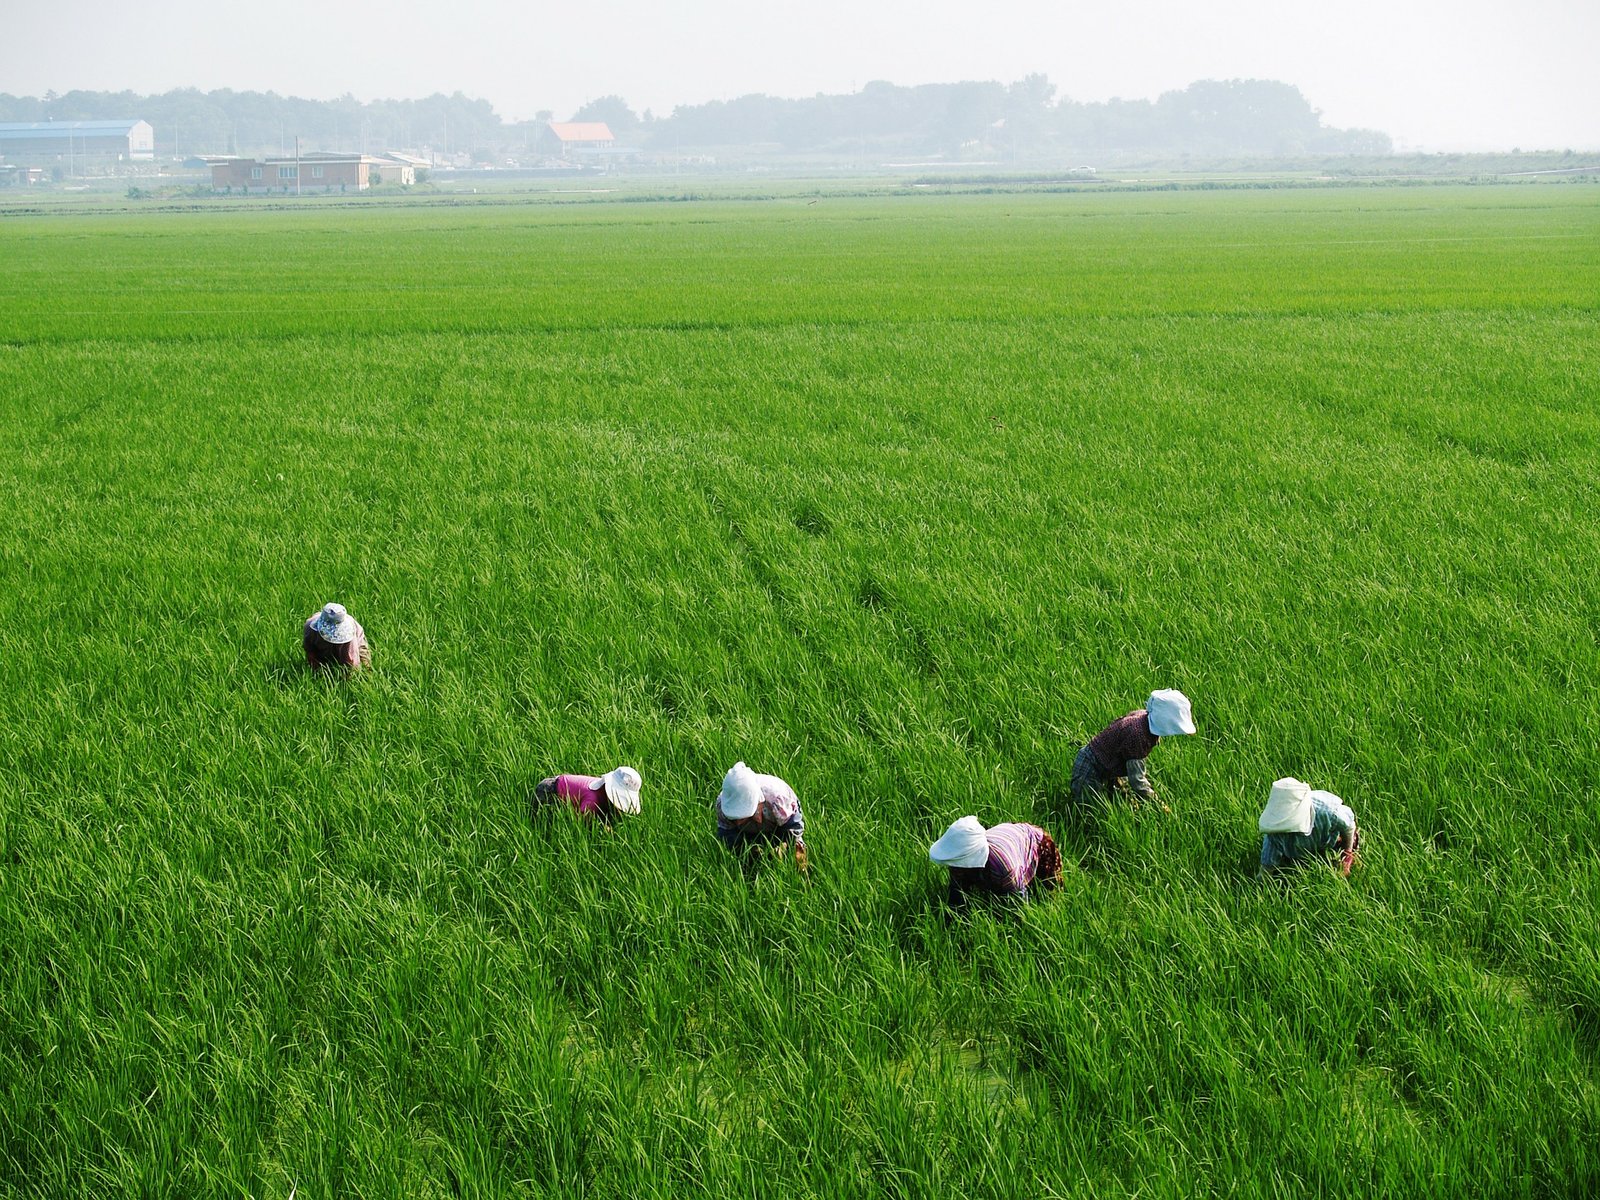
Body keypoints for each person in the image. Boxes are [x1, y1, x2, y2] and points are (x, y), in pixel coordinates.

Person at [1069, 688, 1196, 809]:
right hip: (1090, 767)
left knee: (1124, 805)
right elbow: (1137, 781)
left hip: (1112, 769)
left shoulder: (1144, 717)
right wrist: (1159, 805)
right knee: (1090, 810)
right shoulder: (1137, 735)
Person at [929, 815, 1063, 908]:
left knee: (1046, 888)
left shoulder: (1004, 868)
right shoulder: (958, 860)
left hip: (1035, 841)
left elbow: (1018, 902)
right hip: (1007, 836)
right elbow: (956, 894)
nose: (954, 868)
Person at [1258, 777, 1359, 877]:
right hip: (1297, 853)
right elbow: (1266, 870)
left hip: (1326, 838)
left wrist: (1347, 855)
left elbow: (1349, 827)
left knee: (1347, 843)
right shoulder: (1275, 833)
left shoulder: (1328, 813)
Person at [715, 761, 807, 871]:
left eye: (743, 817)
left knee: (795, 849)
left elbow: (792, 828)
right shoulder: (723, 804)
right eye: (734, 818)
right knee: (744, 855)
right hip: (755, 828)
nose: (738, 823)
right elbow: (727, 834)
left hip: (780, 820)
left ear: (759, 803)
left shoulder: (777, 798)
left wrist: (787, 846)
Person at [534, 766, 642, 826]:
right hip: (549, 790)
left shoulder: (601, 788)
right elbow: (580, 822)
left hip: (556, 782)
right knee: (543, 822)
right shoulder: (593, 800)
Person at [303, 602, 371, 670]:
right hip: (321, 643)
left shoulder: (350, 634)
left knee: (364, 665)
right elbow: (310, 650)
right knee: (323, 658)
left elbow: (352, 660)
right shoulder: (309, 627)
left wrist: (351, 676)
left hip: (355, 641)